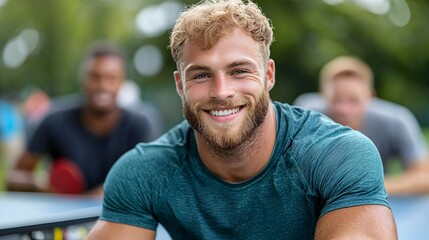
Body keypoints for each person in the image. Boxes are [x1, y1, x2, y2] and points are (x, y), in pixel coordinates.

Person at [86, 1, 397, 239]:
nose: (221, 92)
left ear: (269, 75)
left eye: (239, 71)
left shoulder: (339, 155)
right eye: (201, 75)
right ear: (180, 85)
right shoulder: (143, 173)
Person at [7, 41, 158, 195]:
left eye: (111, 78)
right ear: (83, 79)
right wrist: (41, 185)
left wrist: (108, 193)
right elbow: (13, 178)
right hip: (64, 215)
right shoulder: (54, 120)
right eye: (94, 77)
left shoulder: (139, 125)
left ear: (122, 82)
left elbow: (152, 182)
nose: (102, 85)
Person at [294, 56, 429, 195]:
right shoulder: (306, 114)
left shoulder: (396, 120)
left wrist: (364, 187)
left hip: (379, 199)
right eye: (337, 100)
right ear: (323, 95)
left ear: (370, 96)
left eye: (353, 101)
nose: (344, 109)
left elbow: (424, 177)